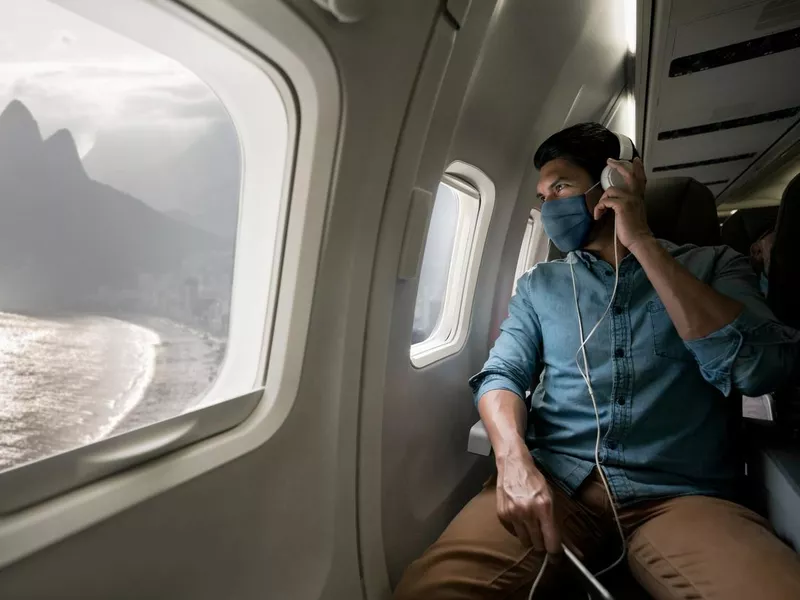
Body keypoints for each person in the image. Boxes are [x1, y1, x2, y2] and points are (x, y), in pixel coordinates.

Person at [394, 123, 800, 599]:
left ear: (615, 181)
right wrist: (512, 462)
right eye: (542, 197)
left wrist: (643, 243)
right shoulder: (539, 286)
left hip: (679, 495)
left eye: (561, 187)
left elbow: (757, 368)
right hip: (558, 482)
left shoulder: (715, 266)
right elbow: (502, 374)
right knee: (431, 591)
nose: (549, 208)